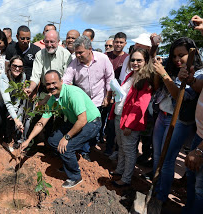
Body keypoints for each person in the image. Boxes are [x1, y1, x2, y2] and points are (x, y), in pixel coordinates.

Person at [21, 70, 102, 188]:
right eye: (48, 84)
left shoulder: (73, 93)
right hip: (75, 122)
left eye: (54, 83)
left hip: (91, 123)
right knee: (53, 141)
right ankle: (69, 162)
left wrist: (67, 137)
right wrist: (28, 140)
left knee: (67, 147)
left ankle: (75, 176)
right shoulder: (53, 99)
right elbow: (42, 122)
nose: (51, 86)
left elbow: (82, 120)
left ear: (62, 82)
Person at [151, 36, 203, 210]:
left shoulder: (197, 73)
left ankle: (162, 196)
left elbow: (181, 96)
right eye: (174, 56)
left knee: (167, 160)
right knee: (157, 156)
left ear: (192, 53)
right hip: (163, 115)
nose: (177, 59)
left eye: (181, 55)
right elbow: (157, 77)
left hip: (179, 121)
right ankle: (155, 189)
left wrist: (165, 75)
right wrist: (155, 49)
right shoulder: (173, 67)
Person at [63, 35, 114, 161]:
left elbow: (110, 78)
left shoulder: (103, 59)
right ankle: (82, 150)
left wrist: (108, 96)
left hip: (99, 99)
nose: (78, 55)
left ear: (90, 49)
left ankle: (88, 148)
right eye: (76, 53)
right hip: (83, 101)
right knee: (84, 126)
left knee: (95, 127)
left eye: (81, 52)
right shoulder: (74, 63)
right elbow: (66, 79)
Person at [109, 48, 154, 187]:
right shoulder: (131, 75)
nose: (135, 62)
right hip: (120, 115)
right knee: (121, 147)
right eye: (133, 60)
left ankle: (126, 178)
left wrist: (130, 125)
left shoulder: (145, 80)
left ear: (146, 62)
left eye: (139, 60)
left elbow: (140, 105)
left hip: (129, 121)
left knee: (129, 150)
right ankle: (120, 170)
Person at [179, 15, 203, 214]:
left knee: (200, 188)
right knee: (192, 179)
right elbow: (197, 86)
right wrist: (190, 79)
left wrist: (200, 150)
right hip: (200, 134)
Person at [0, 55, 25, 156]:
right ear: (10, 66)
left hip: (10, 104)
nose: (17, 69)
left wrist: (15, 110)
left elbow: (18, 96)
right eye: (14, 66)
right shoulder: (3, 78)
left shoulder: (23, 77)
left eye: (20, 67)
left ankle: (6, 141)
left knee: (10, 118)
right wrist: (17, 119)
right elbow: (6, 100)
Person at [25, 30, 72, 95]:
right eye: (47, 42)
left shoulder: (66, 55)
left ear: (58, 42)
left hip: (62, 90)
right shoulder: (39, 54)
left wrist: (51, 95)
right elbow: (35, 76)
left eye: (52, 42)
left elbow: (67, 79)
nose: (49, 45)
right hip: (44, 90)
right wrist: (30, 89)